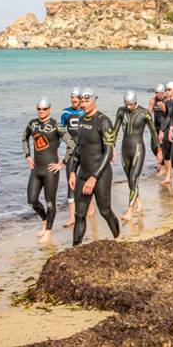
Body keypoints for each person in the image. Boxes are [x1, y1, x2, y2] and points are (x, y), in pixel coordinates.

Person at [67, 88, 120, 245]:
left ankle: (118, 239)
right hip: (83, 174)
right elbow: (79, 148)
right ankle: (76, 247)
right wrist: (72, 172)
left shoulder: (104, 121)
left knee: (105, 211)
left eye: (86, 101)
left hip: (100, 174)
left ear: (94, 100)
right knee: (79, 214)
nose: (83, 104)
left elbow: (108, 152)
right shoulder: (82, 120)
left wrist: (94, 177)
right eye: (81, 101)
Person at [23, 97, 76, 245]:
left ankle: (48, 231)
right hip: (36, 168)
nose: (41, 112)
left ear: (49, 110)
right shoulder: (32, 123)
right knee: (32, 200)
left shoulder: (56, 126)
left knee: (50, 202)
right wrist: (27, 156)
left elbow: (71, 144)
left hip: (51, 170)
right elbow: (24, 139)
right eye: (39, 109)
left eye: (44, 109)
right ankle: (45, 220)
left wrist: (63, 163)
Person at [113, 91, 162, 219]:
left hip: (138, 148)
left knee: (133, 178)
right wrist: (111, 148)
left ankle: (130, 210)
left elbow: (153, 133)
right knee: (130, 179)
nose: (128, 107)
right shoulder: (121, 111)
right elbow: (115, 131)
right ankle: (138, 202)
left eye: (130, 104)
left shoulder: (144, 113)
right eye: (126, 104)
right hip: (125, 148)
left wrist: (159, 151)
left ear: (135, 101)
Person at [60, 89, 87, 228]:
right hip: (71, 152)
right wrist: (56, 151)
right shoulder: (65, 113)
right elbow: (60, 133)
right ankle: (72, 216)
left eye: (77, 99)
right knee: (71, 183)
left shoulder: (85, 112)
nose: (74, 101)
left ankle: (91, 208)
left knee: (86, 179)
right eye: (72, 99)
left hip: (85, 151)